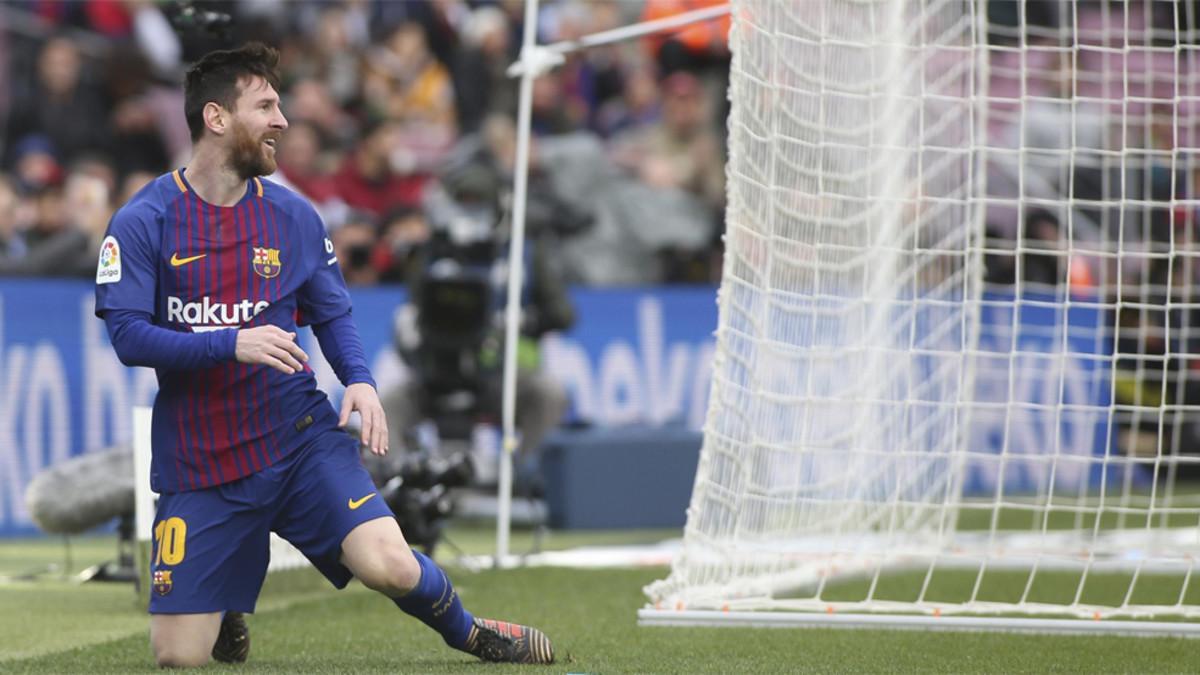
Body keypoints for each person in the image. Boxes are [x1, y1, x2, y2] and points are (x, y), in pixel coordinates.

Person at [93, 43, 554, 668]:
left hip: (297, 441)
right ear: (216, 117)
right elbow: (127, 337)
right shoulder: (143, 220)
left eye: (280, 106)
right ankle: (225, 598)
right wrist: (231, 342)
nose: (282, 120)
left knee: (390, 566)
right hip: (202, 465)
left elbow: (332, 313)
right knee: (178, 658)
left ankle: (471, 632)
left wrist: (359, 380)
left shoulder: (294, 217)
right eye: (265, 106)